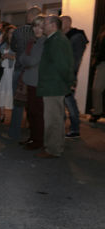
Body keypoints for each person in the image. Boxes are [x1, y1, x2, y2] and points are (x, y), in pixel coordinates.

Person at [36, 15, 74, 158]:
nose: (42, 26)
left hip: (54, 86)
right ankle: (55, 147)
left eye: (45, 23)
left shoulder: (56, 41)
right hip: (53, 85)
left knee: (53, 120)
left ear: (53, 25)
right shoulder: (54, 39)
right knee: (55, 118)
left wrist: (69, 82)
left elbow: (63, 66)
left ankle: (53, 150)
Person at [8, 6, 42, 140]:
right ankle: (32, 130)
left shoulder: (18, 31)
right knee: (34, 102)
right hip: (35, 71)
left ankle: (14, 132)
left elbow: (13, 47)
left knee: (18, 103)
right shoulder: (42, 33)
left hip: (19, 69)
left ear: (28, 16)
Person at [18, 16, 46, 150]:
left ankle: (38, 141)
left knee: (37, 112)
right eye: (35, 26)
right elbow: (22, 57)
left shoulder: (43, 41)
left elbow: (32, 60)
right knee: (30, 111)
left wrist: (26, 60)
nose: (37, 29)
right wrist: (27, 60)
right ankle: (33, 138)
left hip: (37, 82)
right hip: (30, 80)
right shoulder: (32, 41)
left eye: (40, 26)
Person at [60, 15, 88, 138]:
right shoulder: (63, 36)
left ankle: (75, 129)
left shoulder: (76, 37)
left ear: (68, 23)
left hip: (68, 76)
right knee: (61, 101)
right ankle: (61, 126)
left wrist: (71, 77)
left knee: (69, 101)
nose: (59, 24)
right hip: (61, 74)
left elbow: (76, 59)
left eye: (61, 21)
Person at [0, 25, 16, 123]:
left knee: (11, 92)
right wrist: (1, 57)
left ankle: (14, 115)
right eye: (10, 32)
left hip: (12, 71)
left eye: (14, 32)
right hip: (2, 70)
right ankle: (2, 115)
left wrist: (11, 57)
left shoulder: (17, 44)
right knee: (0, 91)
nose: (12, 34)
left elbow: (21, 58)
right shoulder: (2, 44)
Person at [90, 26, 105, 124]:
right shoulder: (103, 29)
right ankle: (97, 112)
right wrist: (95, 57)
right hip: (102, 63)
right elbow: (97, 45)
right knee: (96, 88)